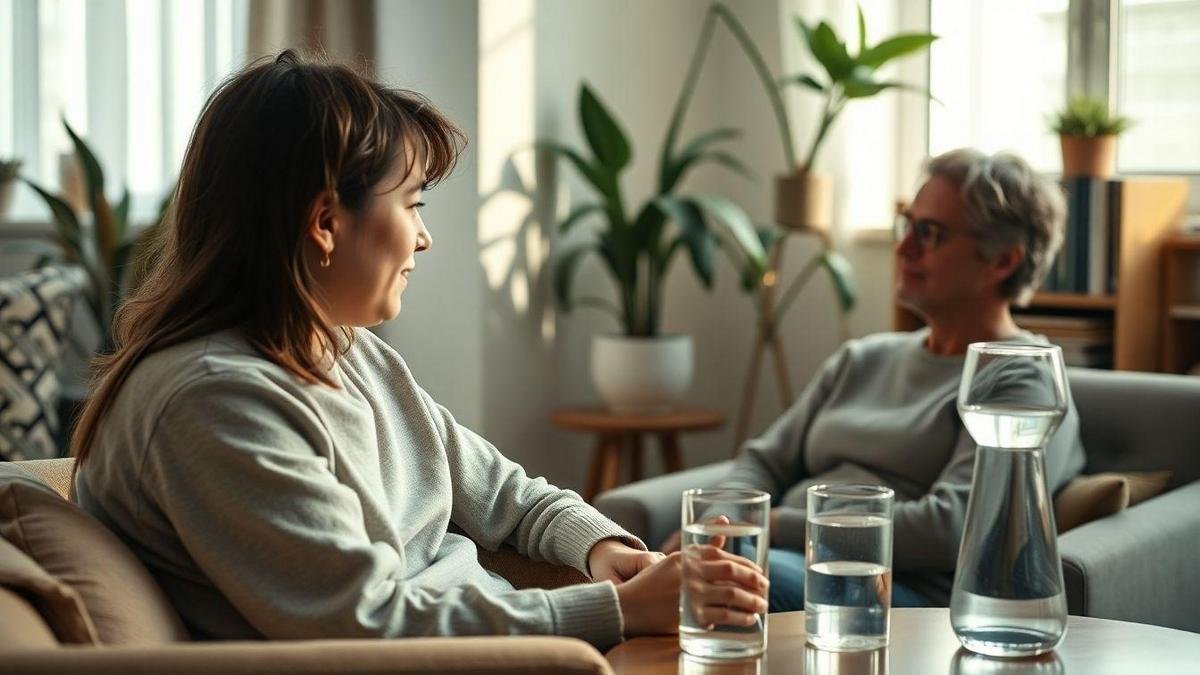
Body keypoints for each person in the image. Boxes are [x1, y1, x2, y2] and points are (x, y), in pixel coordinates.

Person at [71, 51, 767, 649]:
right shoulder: (216, 402)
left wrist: (600, 547)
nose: (423, 238)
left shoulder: (344, 350)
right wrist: (616, 610)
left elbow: (499, 491)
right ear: (325, 221)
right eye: (412, 205)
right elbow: (366, 623)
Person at [663, 149, 1086, 610]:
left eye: (930, 233)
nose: (903, 249)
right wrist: (722, 524)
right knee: (647, 573)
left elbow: (950, 528)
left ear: (1002, 261)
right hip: (777, 558)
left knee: (693, 586)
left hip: (888, 590)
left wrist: (775, 526)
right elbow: (765, 461)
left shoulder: (1020, 380)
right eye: (908, 225)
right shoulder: (863, 358)